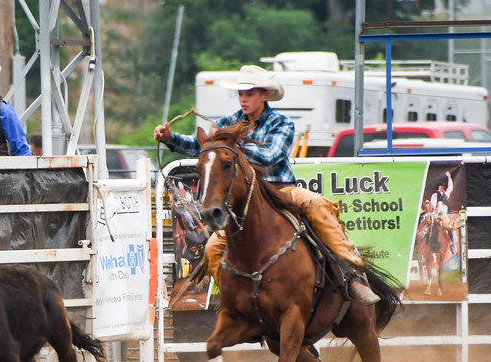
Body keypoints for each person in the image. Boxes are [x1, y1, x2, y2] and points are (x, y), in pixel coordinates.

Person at [154, 64, 379, 305]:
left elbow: (271, 155)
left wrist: (232, 149)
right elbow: (205, 147)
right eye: (241, 94)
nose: (243, 99)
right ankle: (237, 301)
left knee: (317, 204)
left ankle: (353, 273)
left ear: (264, 95)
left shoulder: (281, 122)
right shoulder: (230, 122)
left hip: (281, 190)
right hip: (246, 198)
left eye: (249, 94)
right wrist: (171, 138)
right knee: (212, 250)